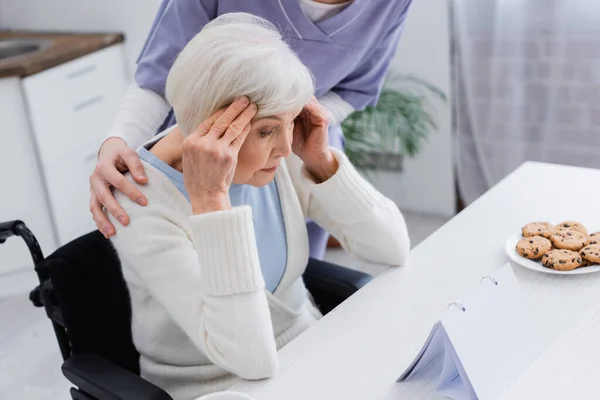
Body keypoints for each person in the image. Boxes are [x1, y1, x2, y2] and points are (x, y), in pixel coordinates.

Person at [107, 13, 410, 399]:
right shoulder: (142, 204)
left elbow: (393, 248)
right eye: (267, 130)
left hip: (311, 354)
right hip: (214, 386)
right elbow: (250, 360)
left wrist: (321, 163)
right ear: (208, 125)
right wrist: (212, 202)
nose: (285, 148)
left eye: (289, 123)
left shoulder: (276, 156)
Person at [90, 0, 413, 259]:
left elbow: (354, 90)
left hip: (295, 161)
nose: (285, 147)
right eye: (265, 130)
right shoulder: (155, 212)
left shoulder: (292, 157)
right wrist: (119, 141)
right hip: (197, 168)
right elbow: (159, 77)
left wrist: (282, 129)